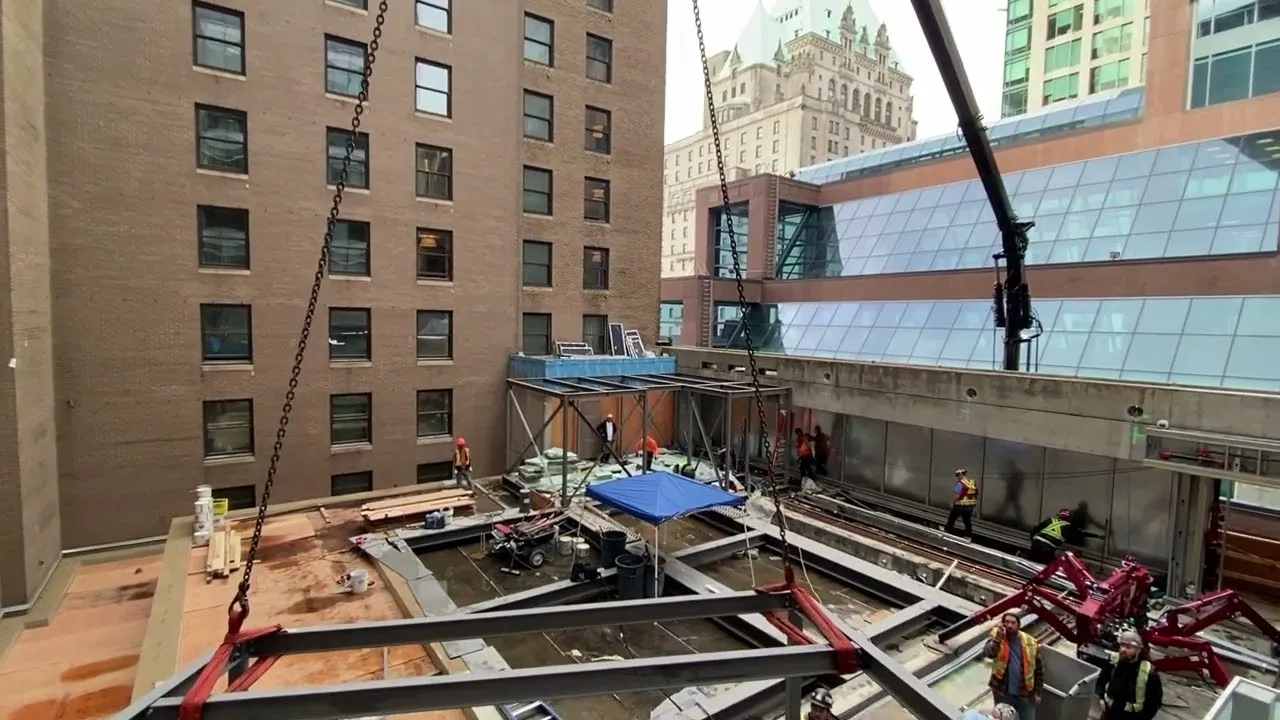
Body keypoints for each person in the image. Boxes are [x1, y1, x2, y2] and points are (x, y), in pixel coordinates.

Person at [984, 612, 1042, 720]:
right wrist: (997, 639)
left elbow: (1038, 670)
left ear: (1018, 625)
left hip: (1025, 693)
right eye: (1007, 622)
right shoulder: (997, 637)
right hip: (1003, 692)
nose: (1009, 625)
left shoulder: (1030, 642)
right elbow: (989, 654)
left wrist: (1037, 692)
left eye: (1013, 623)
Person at [1096, 630, 1162, 720]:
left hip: (1131, 716)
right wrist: (1101, 698)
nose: (1123, 650)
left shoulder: (1148, 672)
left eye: (1128, 647)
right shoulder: (1114, 661)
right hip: (1109, 713)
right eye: (1122, 645)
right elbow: (1101, 680)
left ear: (1138, 650)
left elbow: (1154, 703)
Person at [945, 468, 979, 539]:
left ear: (961, 475)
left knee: (952, 518)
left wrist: (952, 503)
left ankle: (947, 531)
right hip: (969, 506)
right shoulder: (972, 482)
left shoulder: (960, 484)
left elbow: (957, 495)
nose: (957, 477)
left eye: (957, 476)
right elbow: (975, 494)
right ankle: (968, 535)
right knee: (967, 521)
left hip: (960, 506)